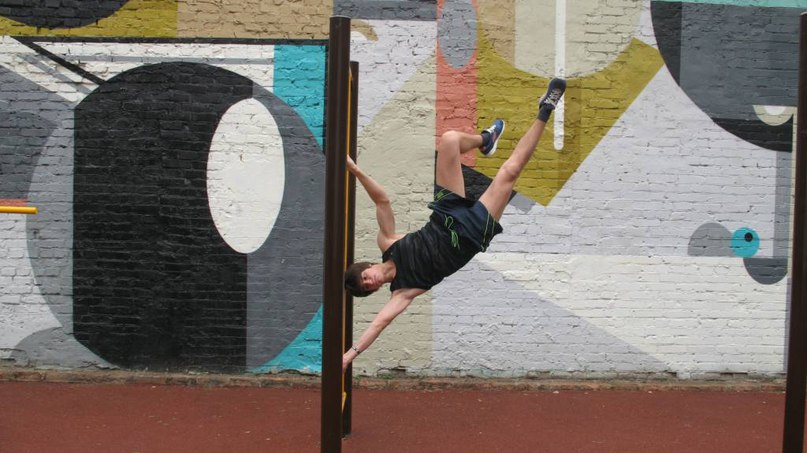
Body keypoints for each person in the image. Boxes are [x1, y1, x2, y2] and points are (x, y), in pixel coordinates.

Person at [342, 78, 567, 372]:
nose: (369, 281)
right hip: (471, 234)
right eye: (367, 287)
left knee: (449, 139)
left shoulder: (387, 242)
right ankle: (546, 109)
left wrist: (354, 169)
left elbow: (382, 200)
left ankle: (486, 140)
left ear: (367, 266)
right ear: (373, 291)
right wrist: (349, 356)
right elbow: (379, 324)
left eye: (364, 276)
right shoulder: (403, 291)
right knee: (510, 173)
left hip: (446, 213)